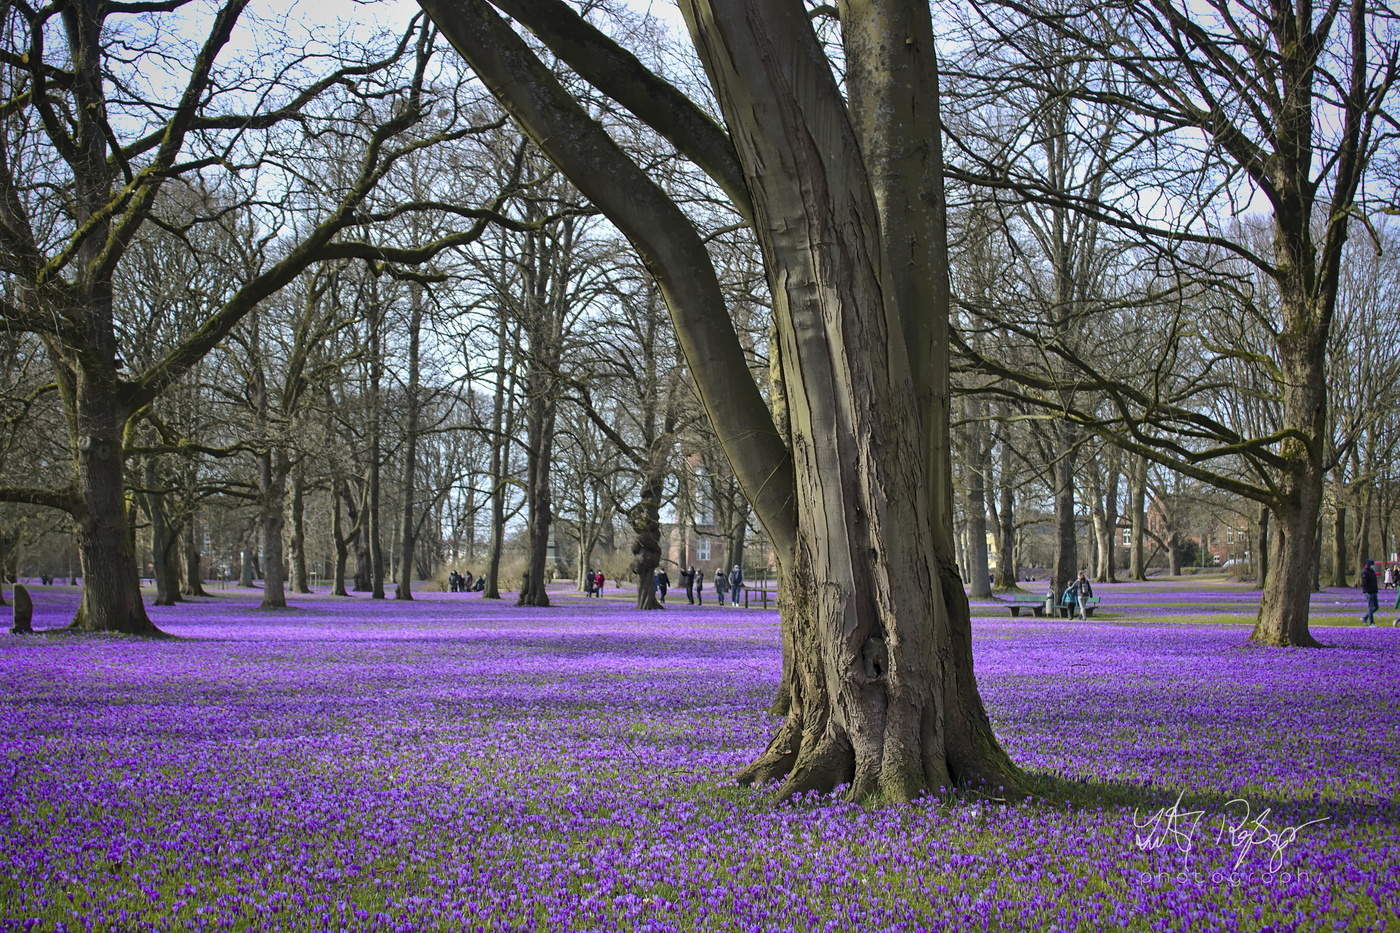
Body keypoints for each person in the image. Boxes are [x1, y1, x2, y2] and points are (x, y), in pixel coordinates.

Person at [1360, 559, 1379, 626]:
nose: (1373, 566)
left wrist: (1376, 589)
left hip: (1374, 591)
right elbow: (1364, 583)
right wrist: (1367, 590)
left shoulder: (1372, 571)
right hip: (1368, 592)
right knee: (1371, 608)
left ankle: (1364, 618)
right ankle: (1371, 623)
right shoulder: (1365, 572)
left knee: (1376, 607)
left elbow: (1374, 581)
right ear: (1369, 565)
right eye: (1372, 565)